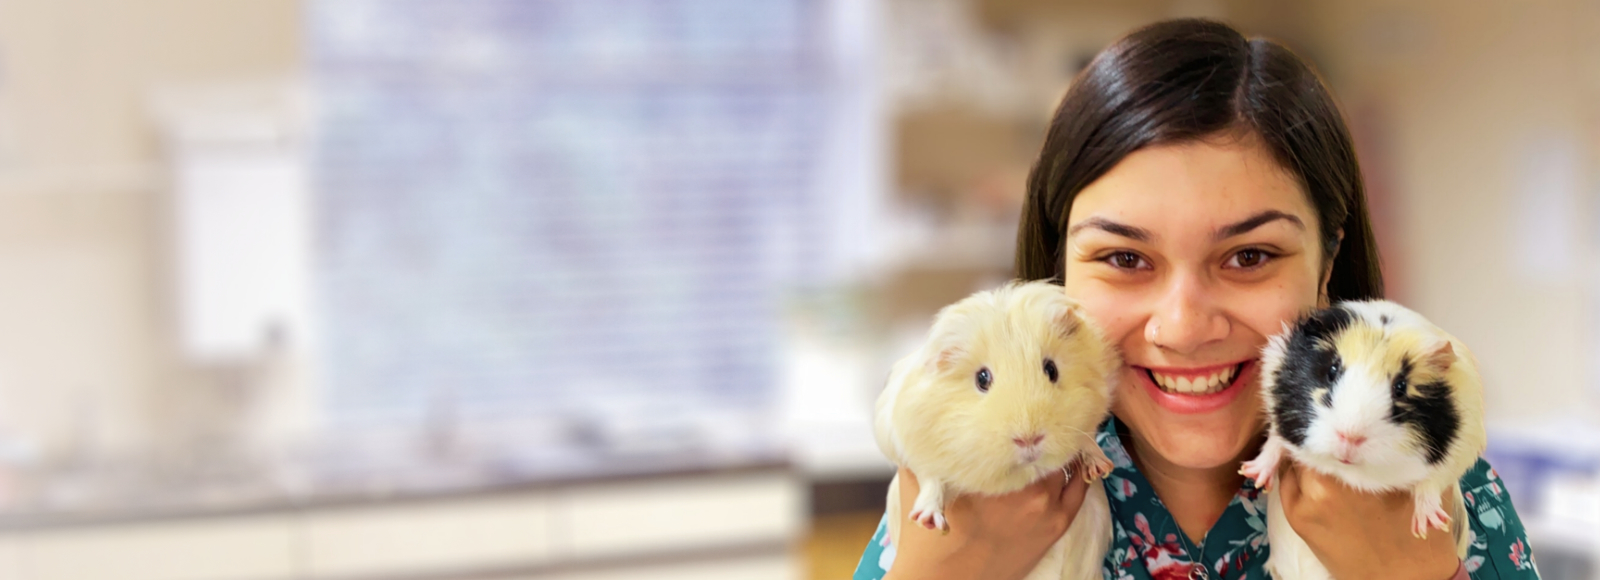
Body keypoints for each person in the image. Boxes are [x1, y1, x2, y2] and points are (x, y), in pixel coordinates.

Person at [853, 18, 1540, 580]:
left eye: (1249, 256)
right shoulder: (970, 485)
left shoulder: (1439, 485)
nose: (1183, 328)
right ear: (1059, 273)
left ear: (1328, 260)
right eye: (1125, 259)